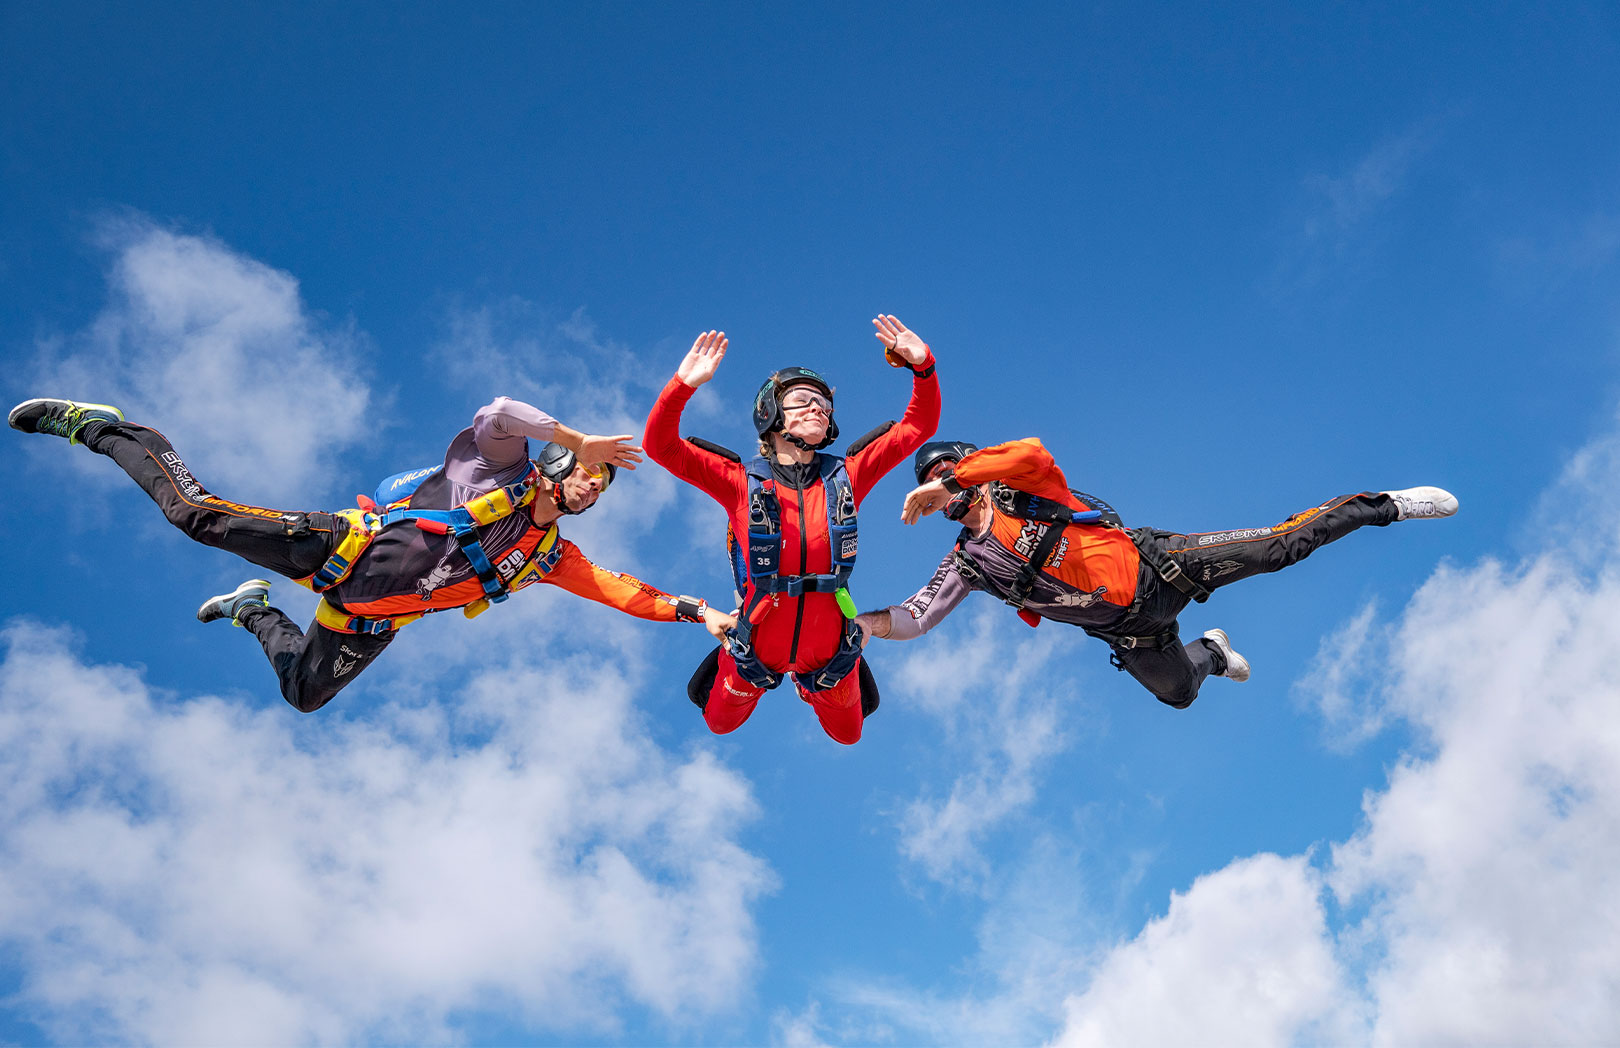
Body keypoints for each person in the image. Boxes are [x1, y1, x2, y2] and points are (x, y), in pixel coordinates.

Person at [9, 396, 736, 712]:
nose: (592, 486)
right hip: (336, 549)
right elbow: (497, 412)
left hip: (364, 620)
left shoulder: (547, 554)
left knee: (303, 694)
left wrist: (702, 612)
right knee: (196, 515)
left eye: (602, 485)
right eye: (585, 472)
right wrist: (582, 438)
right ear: (554, 460)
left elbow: (621, 590)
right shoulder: (494, 471)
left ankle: (254, 613)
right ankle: (101, 428)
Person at [855, 436, 1458, 708]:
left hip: (1161, 567)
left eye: (949, 478)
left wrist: (953, 476)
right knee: (1178, 694)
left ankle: (1384, 506)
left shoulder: (1021, 489)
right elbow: (917, 616)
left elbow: (1035, 453)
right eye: (935, 491)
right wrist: (863, 628)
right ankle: (1213, 653)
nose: (946, 496)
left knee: (1282, 547)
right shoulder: (968, 562)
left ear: (969, 473)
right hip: (1132, 631)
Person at [643, 316, 940, 744]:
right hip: (755, 650)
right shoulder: (739, 481)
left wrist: (923, 367)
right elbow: (660, 445)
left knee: (849, 734)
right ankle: (757, 669)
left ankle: (806, 685)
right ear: (770, 414)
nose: (818, 407)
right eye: (803, 399)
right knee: (719, 723)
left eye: (824, 402)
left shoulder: (847, 475)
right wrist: (682, 385)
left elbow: (918, 427)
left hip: (832, 652)